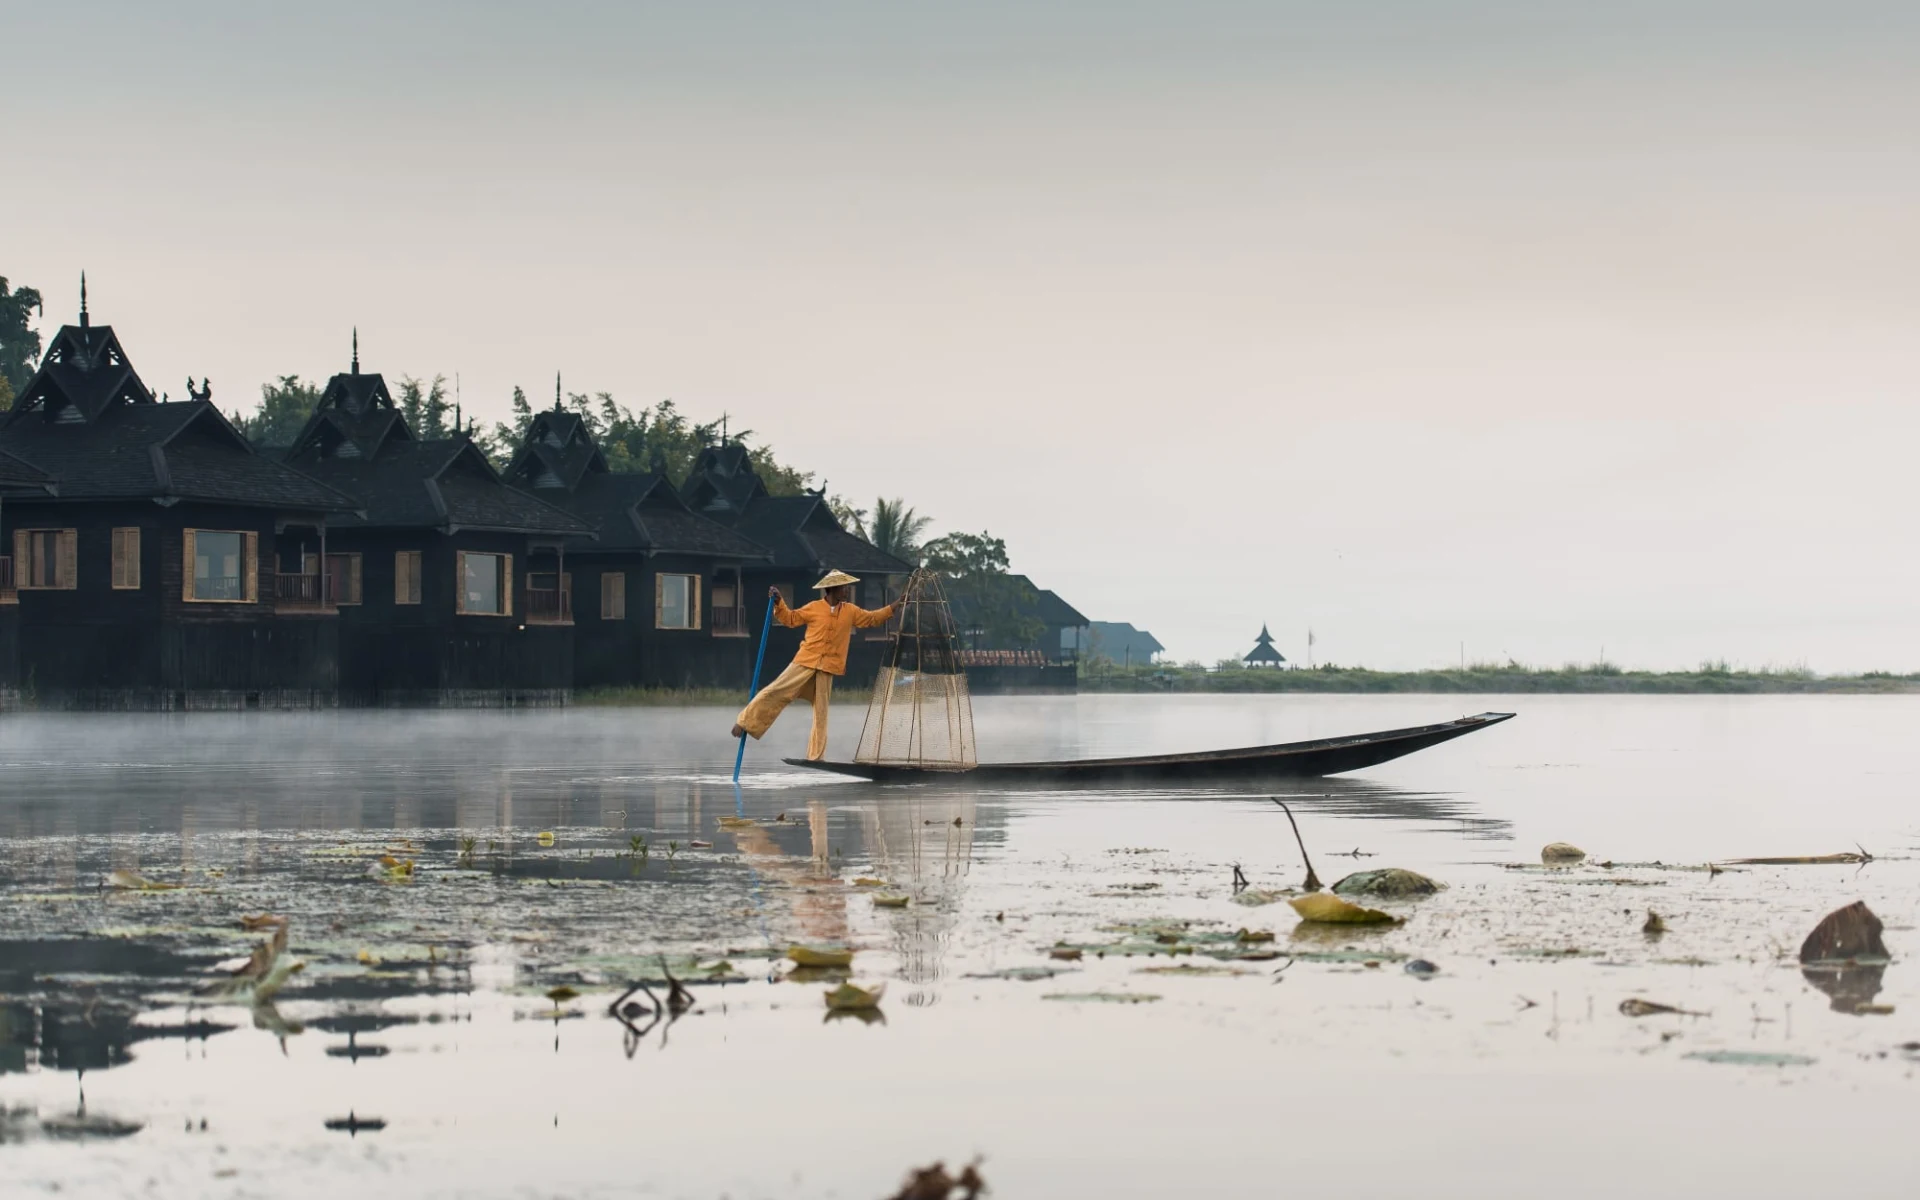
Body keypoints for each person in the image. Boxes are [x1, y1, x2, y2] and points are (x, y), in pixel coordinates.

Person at [731, 570, 898, 761]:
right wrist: (779, 602)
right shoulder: (814, 608)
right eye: (844, 588)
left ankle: (815, 757)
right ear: (833, 589)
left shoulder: (850, 611)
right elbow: (791, 619)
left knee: (821, 715)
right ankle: (744, 722)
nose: (847, 591)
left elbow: (872, 618)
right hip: (805, 662)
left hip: (828, 668)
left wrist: (897, 605)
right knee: (774, 692)